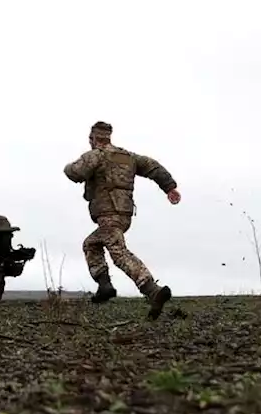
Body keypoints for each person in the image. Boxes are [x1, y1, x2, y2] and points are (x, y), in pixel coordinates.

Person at [63, 121, 182, 320]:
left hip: (108, 214)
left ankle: (152, 289)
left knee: (118, 252)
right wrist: (169, 187)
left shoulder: (96, 155)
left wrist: (68, 167)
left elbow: (75, 172)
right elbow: (154, 167)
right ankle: (105, 286)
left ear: (93, 138)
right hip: (124, 215)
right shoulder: (128, 157)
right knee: (91, 244)